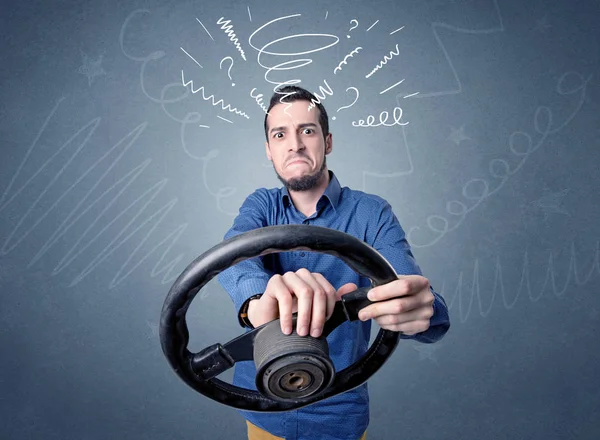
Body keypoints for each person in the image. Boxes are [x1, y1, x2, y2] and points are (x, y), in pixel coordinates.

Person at [218, 85, 450, 440]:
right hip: (263, 405)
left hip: (339, 412)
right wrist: (258, 301)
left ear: (327, 141)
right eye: (280, 134)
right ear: (269, 150)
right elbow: (235, 252)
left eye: (306, 130)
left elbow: (413, 292)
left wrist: (417, 308)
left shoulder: (371, 213)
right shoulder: (261, 205)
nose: (294, 144)